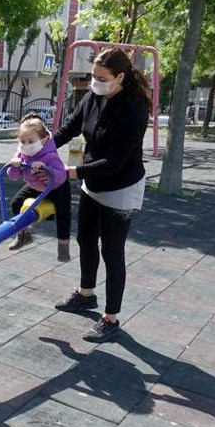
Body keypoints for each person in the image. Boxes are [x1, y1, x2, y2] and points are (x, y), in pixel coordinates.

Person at [51, 48, 151, 342]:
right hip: (92, 181)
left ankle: (111, 317)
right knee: (85, 239)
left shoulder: (134, 108)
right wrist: (38, 148)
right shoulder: (93, 97)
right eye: (93, 76)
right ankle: (86, 294)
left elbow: (116, 162)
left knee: (112, 250)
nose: (94, 82)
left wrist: (71, 173)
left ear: (120, 77)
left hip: (121, 186)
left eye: (101, 77)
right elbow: (69, 127)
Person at [6, 112, 71, 261]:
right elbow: (13, 176)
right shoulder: (22, 153)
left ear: (43, 140)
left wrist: (47, 170)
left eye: (31, 141)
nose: (26, 145)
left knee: (63, 214)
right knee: (16, 203)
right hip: (35, 186)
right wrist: (15, 165)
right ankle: (23, 235)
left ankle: (63, 247)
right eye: (22, 141)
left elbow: (61, 175)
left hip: (57, 187)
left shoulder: (50, 155)